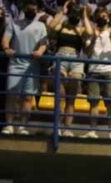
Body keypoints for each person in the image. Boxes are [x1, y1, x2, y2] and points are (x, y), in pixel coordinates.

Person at [2, 0, 48, 136]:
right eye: (29, 8)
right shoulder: (14, 23)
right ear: (24, 8)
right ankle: (9, 125)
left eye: (34, 9)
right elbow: (5, 39)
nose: (32, 10)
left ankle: (23, 126)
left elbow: (44, 43)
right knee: (12, 96)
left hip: (32, 66)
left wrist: (40, 51)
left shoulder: (41, 26)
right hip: (15, 64)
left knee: (28, 97)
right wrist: (6, 48)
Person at [48, 2, 92, 138]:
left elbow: (90, 32)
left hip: (75, 59)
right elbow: (51, 26)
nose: (74, 16)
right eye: (73, 13)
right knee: (60, 96)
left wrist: (84, 15)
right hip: (60, 57)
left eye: (76, 14)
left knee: (71, 98)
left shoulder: (80, 30)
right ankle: (58, 126)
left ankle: (67, 128)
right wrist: (63, 10)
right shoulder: (61, 26)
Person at [83, 7, 111, 140]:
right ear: (96, 18)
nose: (103, 18)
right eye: (101, 16)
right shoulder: (90, 32)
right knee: (93, 102)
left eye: (105, 16)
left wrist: (110, 36)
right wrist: (94, 38)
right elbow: (87, 53)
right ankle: (92, 130)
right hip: (93, 71)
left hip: (109, 71)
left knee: (110, 103)